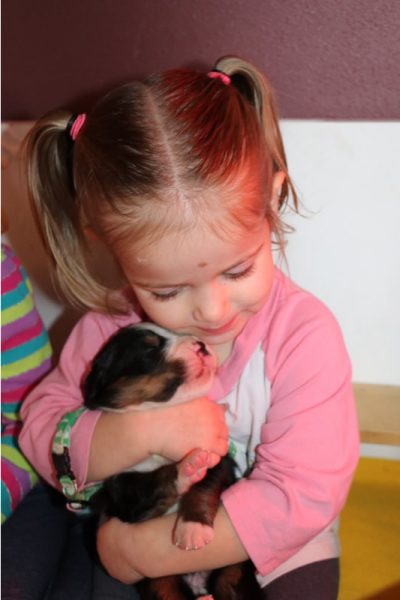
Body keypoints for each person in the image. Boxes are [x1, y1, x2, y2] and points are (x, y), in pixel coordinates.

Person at [19, 56, 359, 599]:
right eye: (167, 291)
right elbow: (41, 429)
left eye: (238, 269)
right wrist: (142, 435)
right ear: (112, 251)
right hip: (135, 518)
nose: (211, 310)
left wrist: (139, 552)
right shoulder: (110, 327)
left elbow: (303, 494)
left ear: (271, 202)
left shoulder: (304, 335)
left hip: (268, 544)